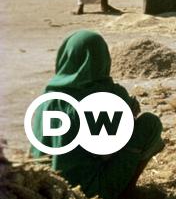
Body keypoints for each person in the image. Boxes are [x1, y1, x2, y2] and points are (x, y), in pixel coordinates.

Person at [30, 30, 164, 199]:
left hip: (46, 187)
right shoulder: (108, 95)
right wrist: (128, 113)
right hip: (87, 191)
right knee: (149, 125)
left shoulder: (47, 97)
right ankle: (126, 191)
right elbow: (111, 146)